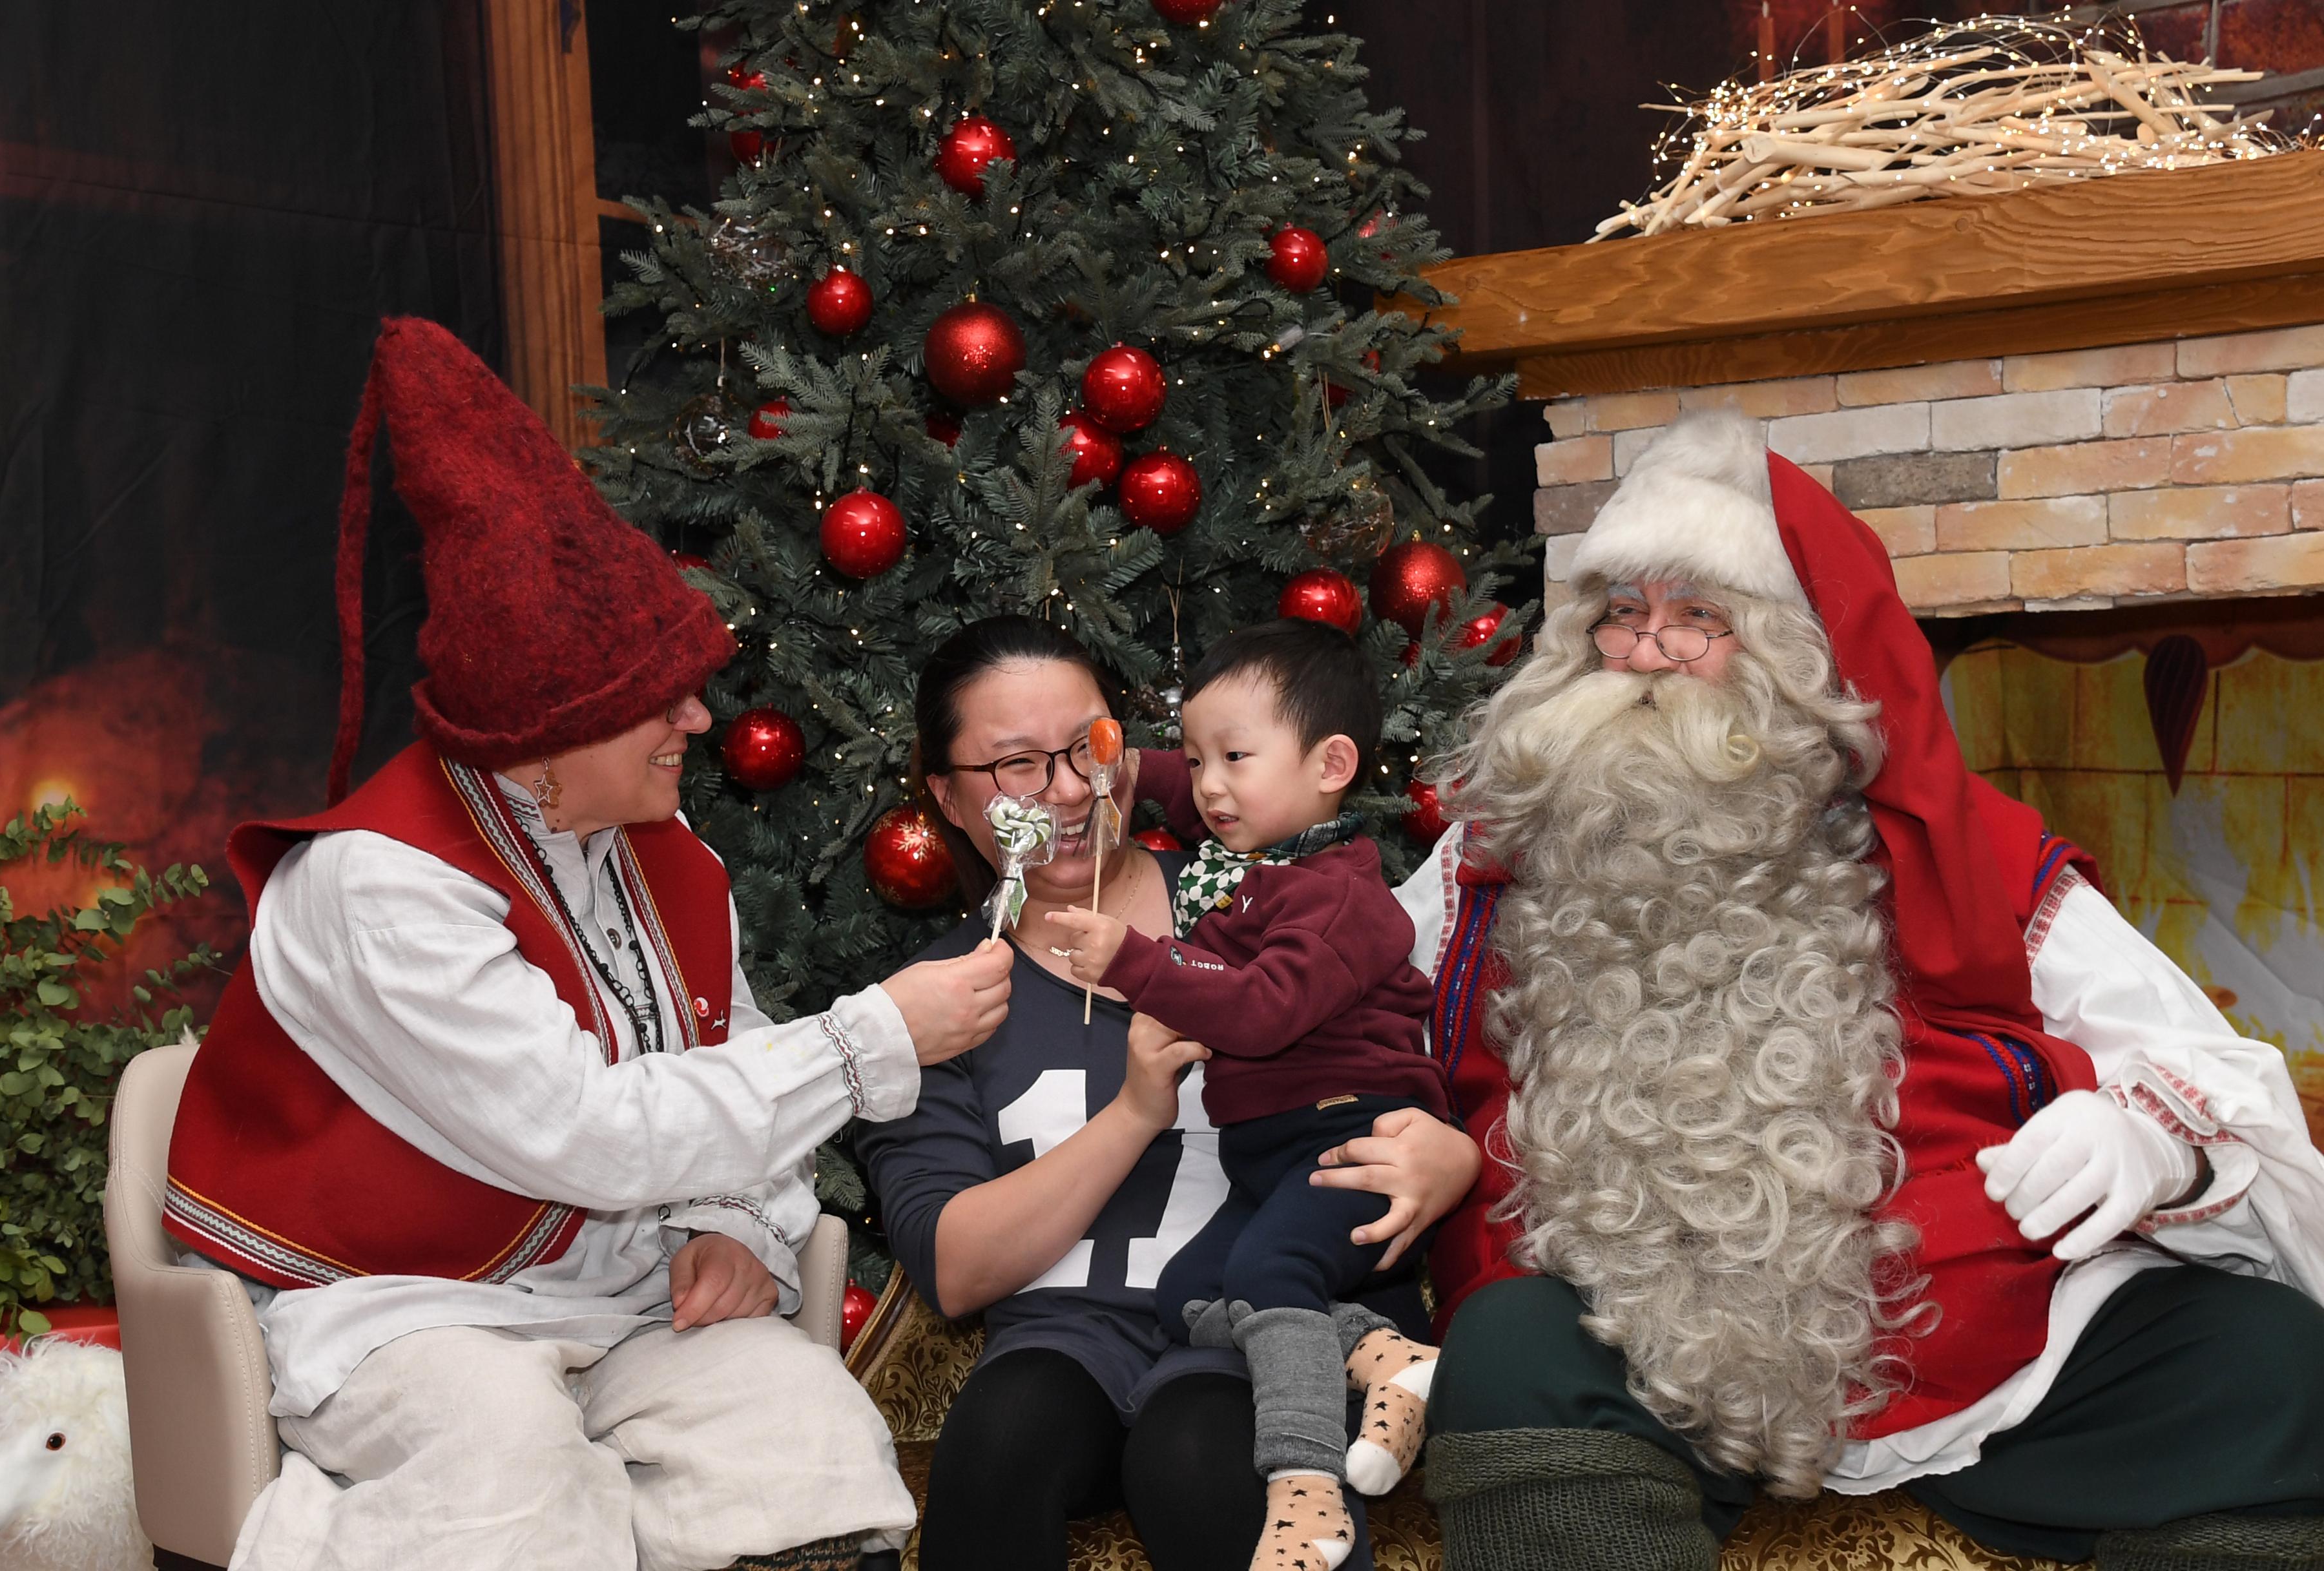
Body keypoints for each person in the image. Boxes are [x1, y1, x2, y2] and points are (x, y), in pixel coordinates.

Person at [1398, 411, 2324, 1571]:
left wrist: (2146, 1138)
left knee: (2272, 1364)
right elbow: (1326, 1015)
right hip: (1631, 1337)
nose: (1646, 654)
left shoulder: (1962, 845)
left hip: (1975, 1340)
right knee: (1510, 1351)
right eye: (1622, 618)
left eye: (1699, 621)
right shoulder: (1490, 853)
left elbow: (2202, 1059)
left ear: (1796, 658)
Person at [163, 318, 1014, 1571]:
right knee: (509, 1464)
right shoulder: (379, 885)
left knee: (810, 1439)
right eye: (657, 701)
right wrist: (878, 1035)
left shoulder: (674, 860)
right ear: (545, 732)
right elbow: (580, 1127)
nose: (698, 717)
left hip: (617, 1292)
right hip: (385, 1301)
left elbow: (733, 1054)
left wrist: (736, 1217)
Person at [854, 616, 1482, 1571]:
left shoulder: (1267, 894)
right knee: (998, 1441)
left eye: (1088, 748)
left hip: (1270, 1335)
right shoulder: (932, 1003)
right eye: (1017, 765)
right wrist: (1136, 1113)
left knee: (1194, 1456)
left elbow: (1393, 1051)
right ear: (945, 794)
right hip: (1066, 1344)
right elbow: (955, 1268)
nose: (1067, 790)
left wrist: (1451, 1151)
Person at [1045, 619, 1451, 1571]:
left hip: (1349, 1139)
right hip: (1275, 1155)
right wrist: (1118, 765)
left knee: (1271, 1279)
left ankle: (1306, 1492)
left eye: (1232, 758)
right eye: (1198, 757)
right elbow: (1176, 781)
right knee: (1189, 1290)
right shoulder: (1264, 839)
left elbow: (1264, 1014)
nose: (1208, 786)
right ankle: (1385, 1357)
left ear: (1332, 765)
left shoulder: (1342, 898)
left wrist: (1137, 962)